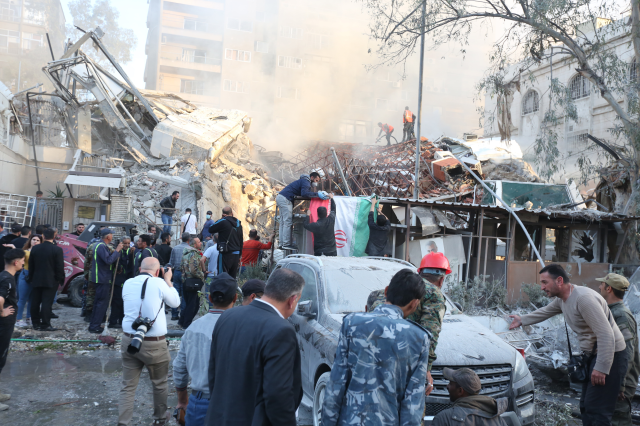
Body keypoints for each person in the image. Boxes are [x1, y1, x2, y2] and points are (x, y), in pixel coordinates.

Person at [508, 264, 627, 426]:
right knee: (587, 406)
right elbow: (545, 311)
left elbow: (606, 334)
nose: (542, 287)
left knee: (598, 411)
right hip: (594, 356)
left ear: (559, 280)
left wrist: (602, 367)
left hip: (610, 355)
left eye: (545, 282)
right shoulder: (563, 299)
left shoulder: (583, 299)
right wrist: (521, 320)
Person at [321, 269, 430, 426]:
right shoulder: (419, 338)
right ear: (415, 303)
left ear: (386, 291)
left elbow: (336, 383)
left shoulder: (352, 323)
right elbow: (413, 403)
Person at [205, 268, 304, 426]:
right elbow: (278, 396)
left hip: (218, 417)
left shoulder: (228, 316)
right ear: (292, 300)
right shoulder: (281, 330)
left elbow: (213, 374)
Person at [368, 251, 450, 393]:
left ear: (420, 272)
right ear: (442, 280)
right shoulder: (434, 294)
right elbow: (430, 332)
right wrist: (426, 369)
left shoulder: (394, 288)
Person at [119, 257, 180, 426]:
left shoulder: (128, 283)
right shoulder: (159, 283)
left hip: (129, 340)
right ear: (158, 271)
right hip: (154, 343)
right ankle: (160, 419)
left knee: (128, 386)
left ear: (140, 269)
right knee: (159, 384)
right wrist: (168, 280)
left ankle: (123, 422)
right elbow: (175, 303)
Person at [173, 273, 237, 425]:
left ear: (209, 298)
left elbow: (179, 367)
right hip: (233, 404)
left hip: (199, 403)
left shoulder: (193, 328)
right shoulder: (242, 327)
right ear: (235, 298)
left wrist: (182, 400)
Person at [596, 273, 640, 426]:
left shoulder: (621, 316)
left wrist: (620, 385)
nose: (599, 286)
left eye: (602, 284)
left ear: (609, 289)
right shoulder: (610, 312)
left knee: (618, 421)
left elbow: (625, 353)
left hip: (619, 384)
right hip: (612, 380)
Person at [432, 368, 509, 426]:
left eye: (450, 383)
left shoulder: (443, 418)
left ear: (460, 391)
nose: (447, 386)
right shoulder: (498, 420)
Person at [0, 248, 24, 410]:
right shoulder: (7, 279)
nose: (23, 263)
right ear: (16, 262)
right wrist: (2, 312)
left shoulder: (4, 275)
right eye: (22, 261)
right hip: (3, 325)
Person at [88, 228, 124, 333]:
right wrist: (117, 251)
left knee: (98, 302)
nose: (112, 236)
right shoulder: (101, 246)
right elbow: (108, 260)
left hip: (100, 277)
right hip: (102, 278)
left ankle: (94, 324)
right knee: (101, 303)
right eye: (111, 235)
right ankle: (95, 326)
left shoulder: (98, 245)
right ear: (108, 236)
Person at [276, 172, 325, 250]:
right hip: (285, 199)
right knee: (287, 221)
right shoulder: (306, 182)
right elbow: (304, 193)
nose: (316, 182)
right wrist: (317, 194)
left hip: (281, 197)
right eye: (316, 180)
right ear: (312, 177)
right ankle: (286, 244)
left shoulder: (303, 181)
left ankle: (282, 244)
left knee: (283, 222)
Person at [28, 227, 64, 331]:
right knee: (46, 303)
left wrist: (31, 278)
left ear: (43, 236)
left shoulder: (35, 248)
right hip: (51, 280)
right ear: (54, 237)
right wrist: (59, 279)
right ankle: (45, 324)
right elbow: (59, 267)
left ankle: (35, 323)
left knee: (35, 302)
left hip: (36, 279)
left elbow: (31, 265)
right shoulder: (57, 249)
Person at [207, 207, 243, 278]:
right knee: (232, 278)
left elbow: (210, 229)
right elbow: (241, 240)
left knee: (222, 277)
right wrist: (240, 256)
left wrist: (221, 218)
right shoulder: (238, 224)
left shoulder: (223, 221)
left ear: (223, 214)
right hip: (236, 254)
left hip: (225, 254)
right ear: (232, 213)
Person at [15, 234, 42, 328]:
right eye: (33, 239)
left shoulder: (40, 252)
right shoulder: (25, 252)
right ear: (30, 240)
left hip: (35, 276)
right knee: (22, 299)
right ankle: (18, 319)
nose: (35, 241)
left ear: (41, 242)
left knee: (32, 299)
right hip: (25, 275)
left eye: (38, 240)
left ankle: (29, 317)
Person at [179, 237, 204, 329]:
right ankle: (187, 324)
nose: (200, 243)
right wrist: (202, 275)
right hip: (193, 283)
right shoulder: (194, 254)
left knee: (188, 303)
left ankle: (182, 321)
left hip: (185, 281)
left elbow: (181, 266)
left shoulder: (185, 253)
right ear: (194, 245)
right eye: (199, 242)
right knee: (193, 305)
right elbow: (194, 270)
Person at [109, 235, 133, 329]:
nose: (127, 245)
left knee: (124, 302)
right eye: (125, 243)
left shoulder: (130, 252)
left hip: (126, 281)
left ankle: (121, 319)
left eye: (128, 243)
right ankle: (113, 321)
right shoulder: (118, 252)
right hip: (118, 281)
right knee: (116, 302)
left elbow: (130, 266)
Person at [168, 232, 191, 321]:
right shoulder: (190, 249)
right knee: (184, 294)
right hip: (185, 273)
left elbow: (171, 262)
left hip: (176, 272)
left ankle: (174, 314)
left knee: (175, 293)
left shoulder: (175, 248)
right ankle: (182, 315)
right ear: (189, 239)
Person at [201, 234, 219, 307]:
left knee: (209, 295)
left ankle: (210, 312)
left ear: (213, 239)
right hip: (221, 275)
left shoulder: (211, 248)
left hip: (211, 275)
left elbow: (202, 260)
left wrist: (204, 270)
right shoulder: (225, 249)